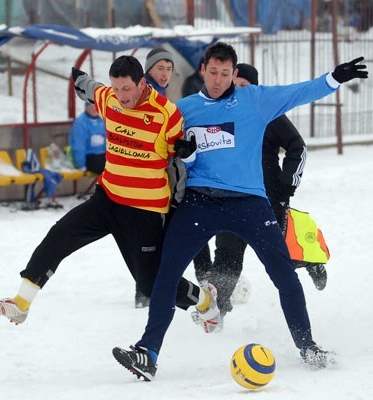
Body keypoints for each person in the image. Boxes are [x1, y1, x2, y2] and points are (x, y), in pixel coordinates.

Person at [112, 43, 368, 381]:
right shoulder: (182, 109)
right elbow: (154, 141)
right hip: (199, 203)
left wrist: (335, 78)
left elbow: (298, 92)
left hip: (249, 203)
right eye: (212, 72)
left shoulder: (254, 101)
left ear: (234, 73)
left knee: (284, 275)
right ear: (203, 69)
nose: (218, 80)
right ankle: (148, 353)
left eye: (224, 73)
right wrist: (179, 154)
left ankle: (308, 346)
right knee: (166, 274)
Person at [0, 55, 202, 329]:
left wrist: (179, 203)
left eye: (127, 89)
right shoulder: (109, 98)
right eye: (116, 88)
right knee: (59, 235)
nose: (121, 96)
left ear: (142, 83)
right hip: (106, 199)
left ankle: (204, 302)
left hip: (144, 211)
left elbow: (179, 164)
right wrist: (77, 77)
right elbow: (90, 87)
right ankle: (21, 303)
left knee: (150, 283)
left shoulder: (166, 113)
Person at [193, 63, 327, 321]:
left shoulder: (268, 113)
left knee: (279, 255)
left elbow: (298, 147)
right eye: (237, 86)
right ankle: (218, 307)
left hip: (266, 200)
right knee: (227, 254)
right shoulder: (222, 112)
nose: (239, 91)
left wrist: (286, 185)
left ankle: (309, 261)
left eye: (246, 87)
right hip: (230, 197)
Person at [134, 47, 176, 308]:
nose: (165, 73)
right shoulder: (145, 94)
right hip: (143, 176)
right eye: (160, 68)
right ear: (148, 69)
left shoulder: (159, 95)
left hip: (154, 173)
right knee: (146, 234)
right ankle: (144, 291)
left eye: (169, 69)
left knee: (153, 234)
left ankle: (148, 288)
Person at [68, 101, 107, 175]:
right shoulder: (81, 123)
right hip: (89, 156)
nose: (94, 109)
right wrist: (81, 165)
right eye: (92, 107)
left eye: (97, 107)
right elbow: (78, 146)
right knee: (107, 171)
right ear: (86, 108)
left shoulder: (101, 120)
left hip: (103, 154)